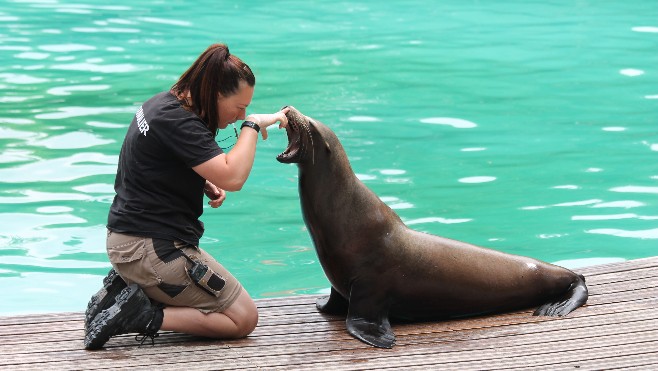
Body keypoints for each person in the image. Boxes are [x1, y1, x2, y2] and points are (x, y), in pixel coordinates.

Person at [83, 43, 289, 350]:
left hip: (128, 241)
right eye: (239, 107)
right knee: (243, 319)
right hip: (151, 250)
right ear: (217, 94)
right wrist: (253, 125)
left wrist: (202, 180)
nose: (239, 115)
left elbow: (152, 164)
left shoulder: (162, 105)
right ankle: (142, 314)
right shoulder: (180, 122)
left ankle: (126, 290)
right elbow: (233, 177)